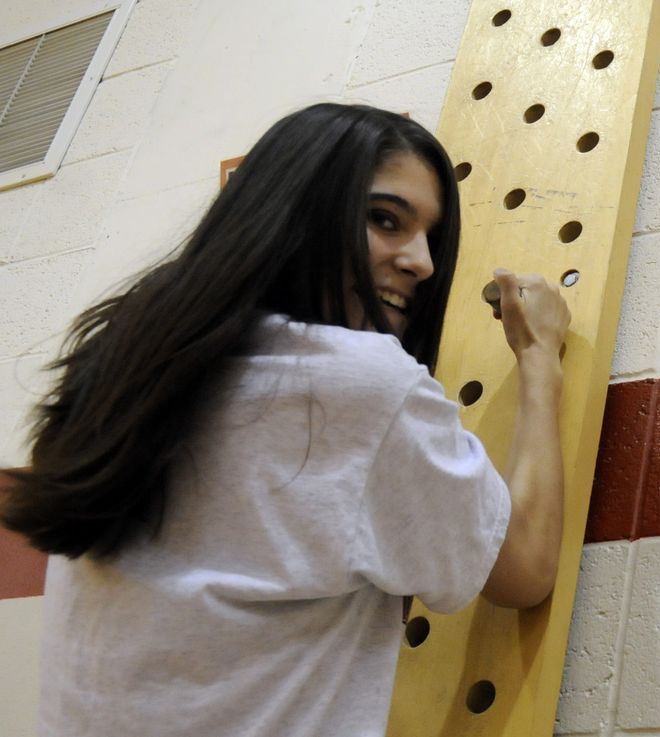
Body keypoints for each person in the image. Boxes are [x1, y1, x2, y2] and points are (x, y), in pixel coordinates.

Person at [0, 103, 570, 736]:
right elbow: (523, 570)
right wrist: (540, 359)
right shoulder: (359, 383)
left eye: (430, 239)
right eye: (385, 220)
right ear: (296, 214)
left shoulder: (130, 370)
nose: (422, 262)